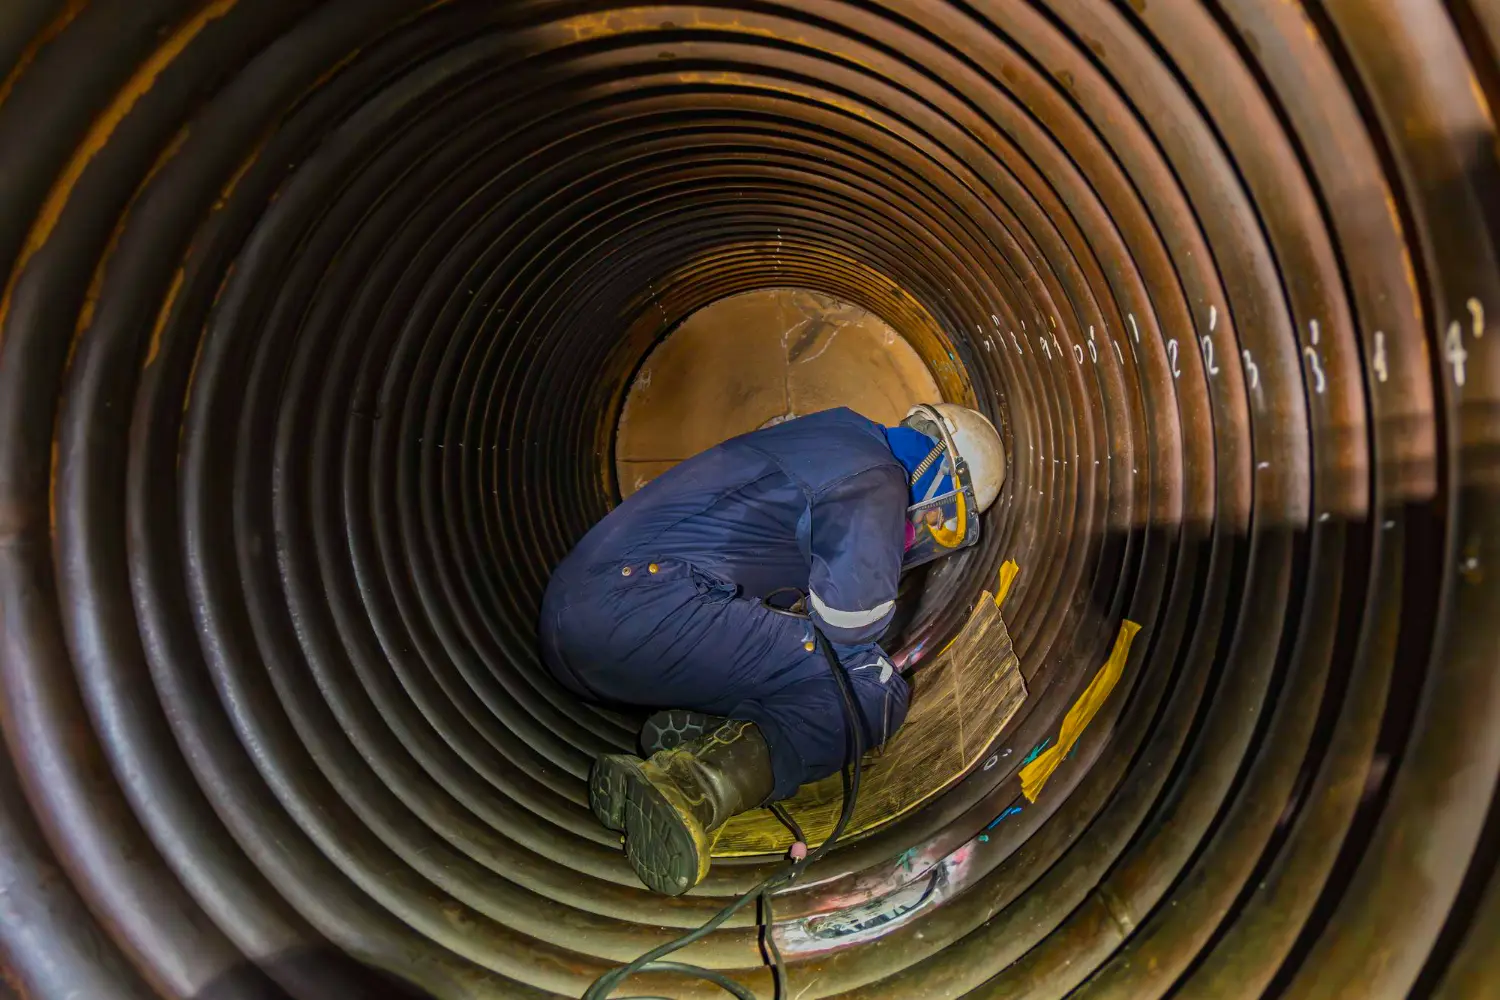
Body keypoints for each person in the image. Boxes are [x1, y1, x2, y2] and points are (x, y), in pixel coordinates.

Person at [538, 403, 1005, 894]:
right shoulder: (875, 477)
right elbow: (850, 624)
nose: (930, 525)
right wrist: (887, 545)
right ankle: (693, 785)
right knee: (870, 682)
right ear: (940, 468)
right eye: (941, 512)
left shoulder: (833, 434)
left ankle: (715, 738)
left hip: (587, 625)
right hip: (639, 605)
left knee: (802, 653)